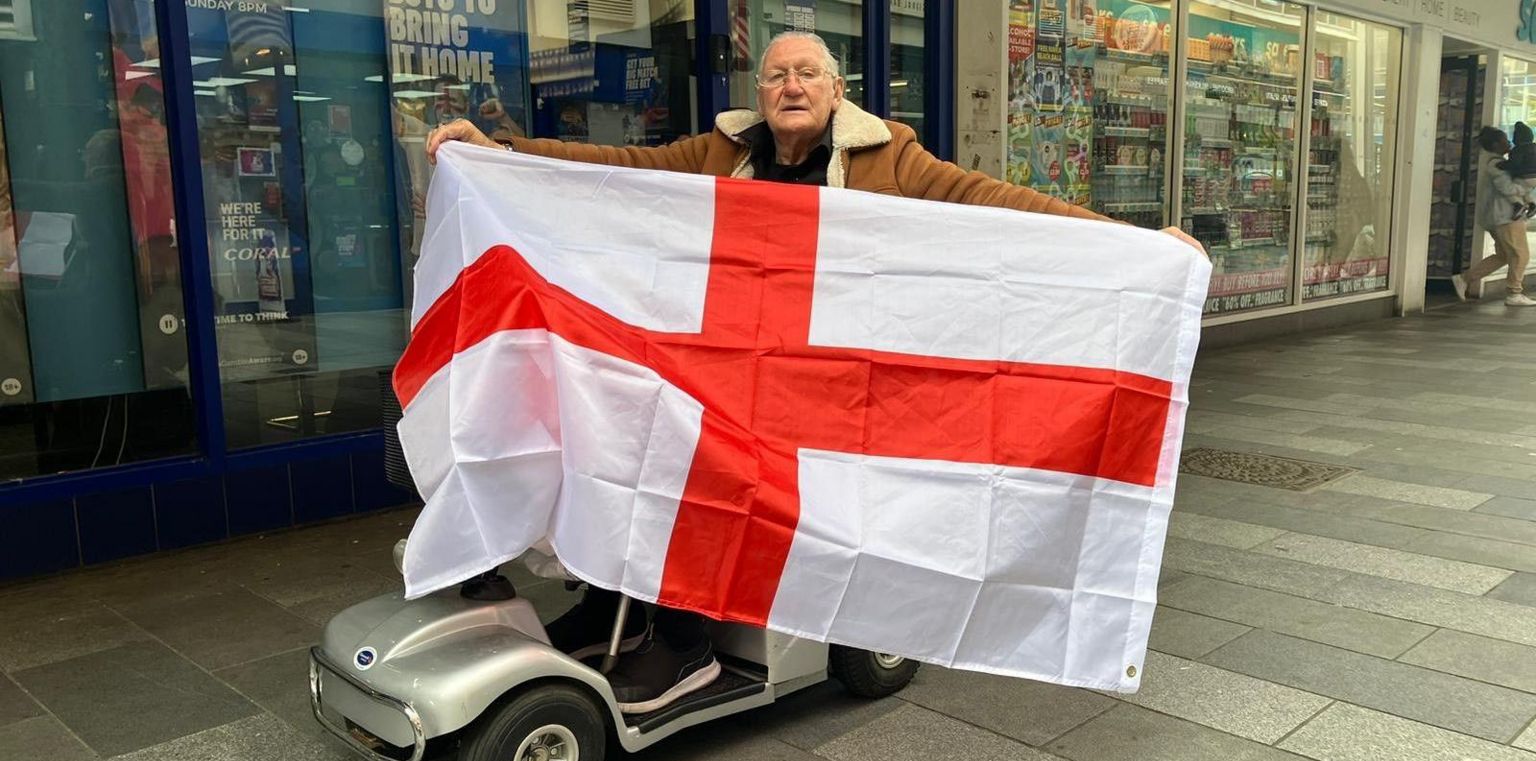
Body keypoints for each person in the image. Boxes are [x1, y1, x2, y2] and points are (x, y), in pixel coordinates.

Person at [425, 31, 1205, 712]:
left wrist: (1134, 243)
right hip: (727, 366)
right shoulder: (719, 155)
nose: (791, 86)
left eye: (807, 73)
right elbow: (620, 172)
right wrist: (508, 156)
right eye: (775, 76)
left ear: (837, 91)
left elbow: (993, 201)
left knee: (707, 471)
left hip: (826, 388)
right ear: (760, 95)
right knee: (632, 432)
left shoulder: (889, 158)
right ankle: (609, 602)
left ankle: (689, 644)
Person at [1454, 125, 1536, 306]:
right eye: (1505, 140)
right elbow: (1507, 187)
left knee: (1504, 256)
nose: (1509, 143)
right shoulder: (1497, 164)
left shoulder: (1495, 162)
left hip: (1498, 217)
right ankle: (1514, 293)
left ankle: (1465, 279)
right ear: (1495, 144)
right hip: (1506, 217)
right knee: (1520, 254)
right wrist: (1526, 188)